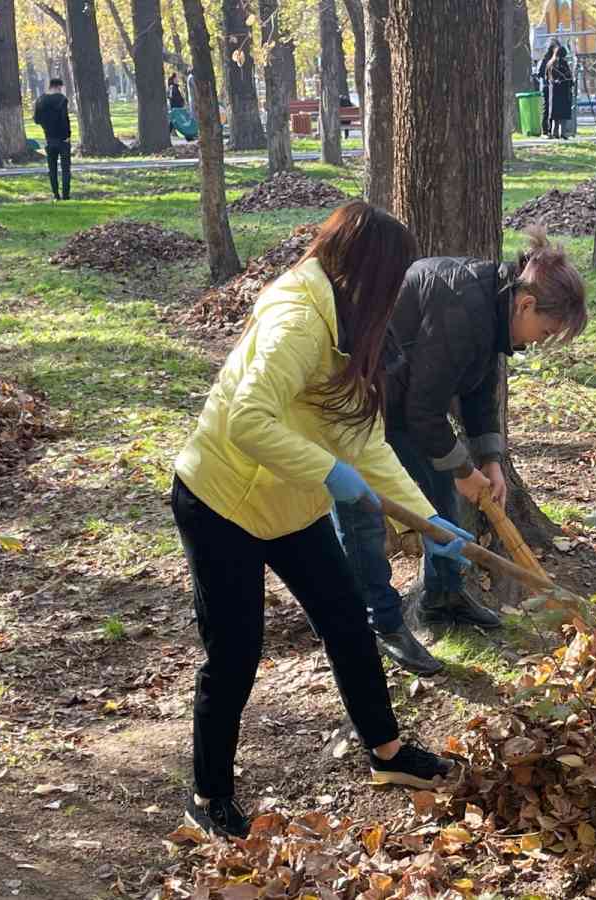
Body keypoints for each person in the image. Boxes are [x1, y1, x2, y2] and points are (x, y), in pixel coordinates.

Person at [172, 202, 469, 839]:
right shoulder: (297, 318)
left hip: (290, 504)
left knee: (347, 620)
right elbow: (248, 419)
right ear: (366, 271)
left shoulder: (351, 321)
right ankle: (207, 796)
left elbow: (365, 443)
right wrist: (328, 471)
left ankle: (387, 755)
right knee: (236, 652)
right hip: (222, 499)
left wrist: (430, 523)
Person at [333, 228, 589, 676]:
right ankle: (381, 624)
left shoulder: (492, 303)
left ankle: (443, 596)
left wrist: (488, 459)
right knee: (363, 510)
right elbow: (426, 412)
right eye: (545, 332)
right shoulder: (465, 305)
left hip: (403, 402)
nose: (537, 343)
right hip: (357, 398)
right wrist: (463, 470)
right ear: (527, 305)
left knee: (440, 503)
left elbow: (477, 391)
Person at [33, 78, 71, 201]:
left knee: (52, 169)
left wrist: (46, 123)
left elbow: (36, 119)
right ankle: (66, 195)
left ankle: (56, 194)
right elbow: (64, 119)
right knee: (65, 169)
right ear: (59, 87)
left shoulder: (40, 100)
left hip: (49, 138)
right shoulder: (61, 99)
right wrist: (67, 136)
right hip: (62, 139)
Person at [546, 47, 575, 140]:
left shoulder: (550, 63)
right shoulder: (564, 63)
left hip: (553, 91)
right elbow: (569, 77)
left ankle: (554, 132)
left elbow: (546, 77)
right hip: (564, 91)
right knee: (563, 114)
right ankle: (563, 133)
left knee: (554, 113)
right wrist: (571, 84)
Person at [538, 39, 560, 137]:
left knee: (550, 109)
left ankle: (549, 130)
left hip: (550, 86)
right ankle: (546, 130)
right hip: (548, 86)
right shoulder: (547, 60)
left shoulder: (550, 59)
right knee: (548, 109)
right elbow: (540, 73)